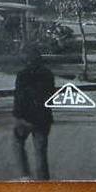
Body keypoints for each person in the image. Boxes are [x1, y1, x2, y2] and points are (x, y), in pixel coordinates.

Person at [12, 44, 56, 180]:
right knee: (41, 151)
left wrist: (17, 115)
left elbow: (19, 97)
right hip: (43, 117)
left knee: (18, 143)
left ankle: (25, 175)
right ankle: (43, 180)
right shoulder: (48, 74)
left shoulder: (22, 75)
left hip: (26, 117)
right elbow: (51, 97)